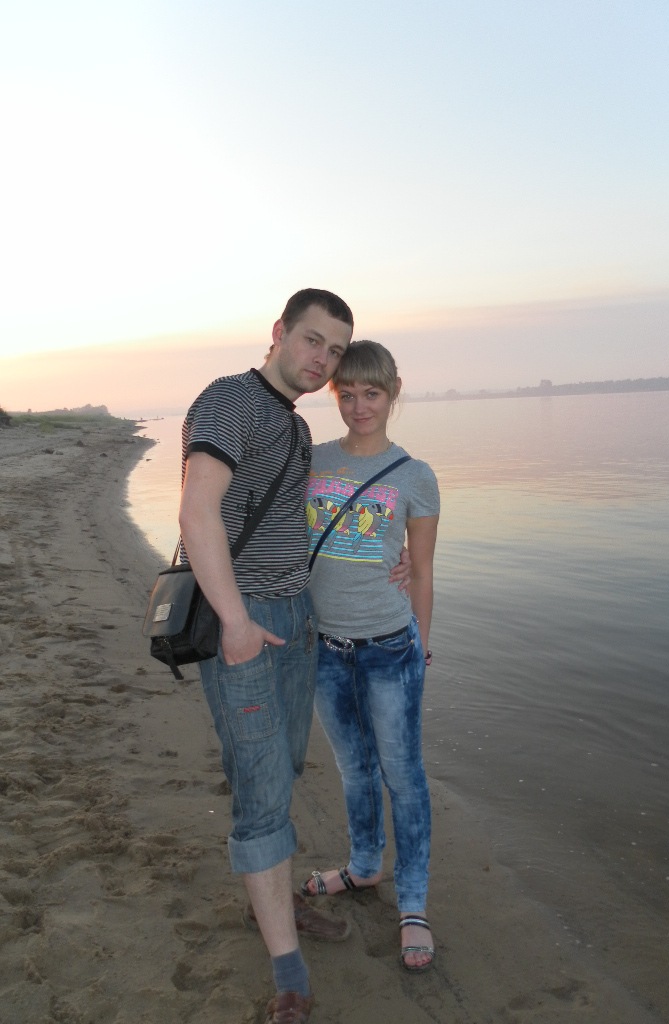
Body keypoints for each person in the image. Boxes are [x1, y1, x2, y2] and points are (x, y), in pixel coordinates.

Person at [178, 288, 355, 1024]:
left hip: (294, 620)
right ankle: (289, 972)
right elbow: (197, 511)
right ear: (279, 332)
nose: (323, 359)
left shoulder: (296, 425)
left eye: (336, 351)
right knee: (260, 787)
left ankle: (271, 902)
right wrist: (236, 623)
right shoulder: (231, 400)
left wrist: (394, 564)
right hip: (245, 621)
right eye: (313, 340)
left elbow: (294, 521)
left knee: (281, 768)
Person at [301, 340, 440, 973]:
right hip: (325, 648)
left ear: (393, 393)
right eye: (348, 394)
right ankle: (362, 867)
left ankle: (412, 902)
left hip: (389, 649)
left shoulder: (414, 475)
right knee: (354, 769)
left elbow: (423, 570)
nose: (360, 406)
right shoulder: (313, 460)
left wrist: (422, 642)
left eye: (372, 394)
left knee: (403, 776)